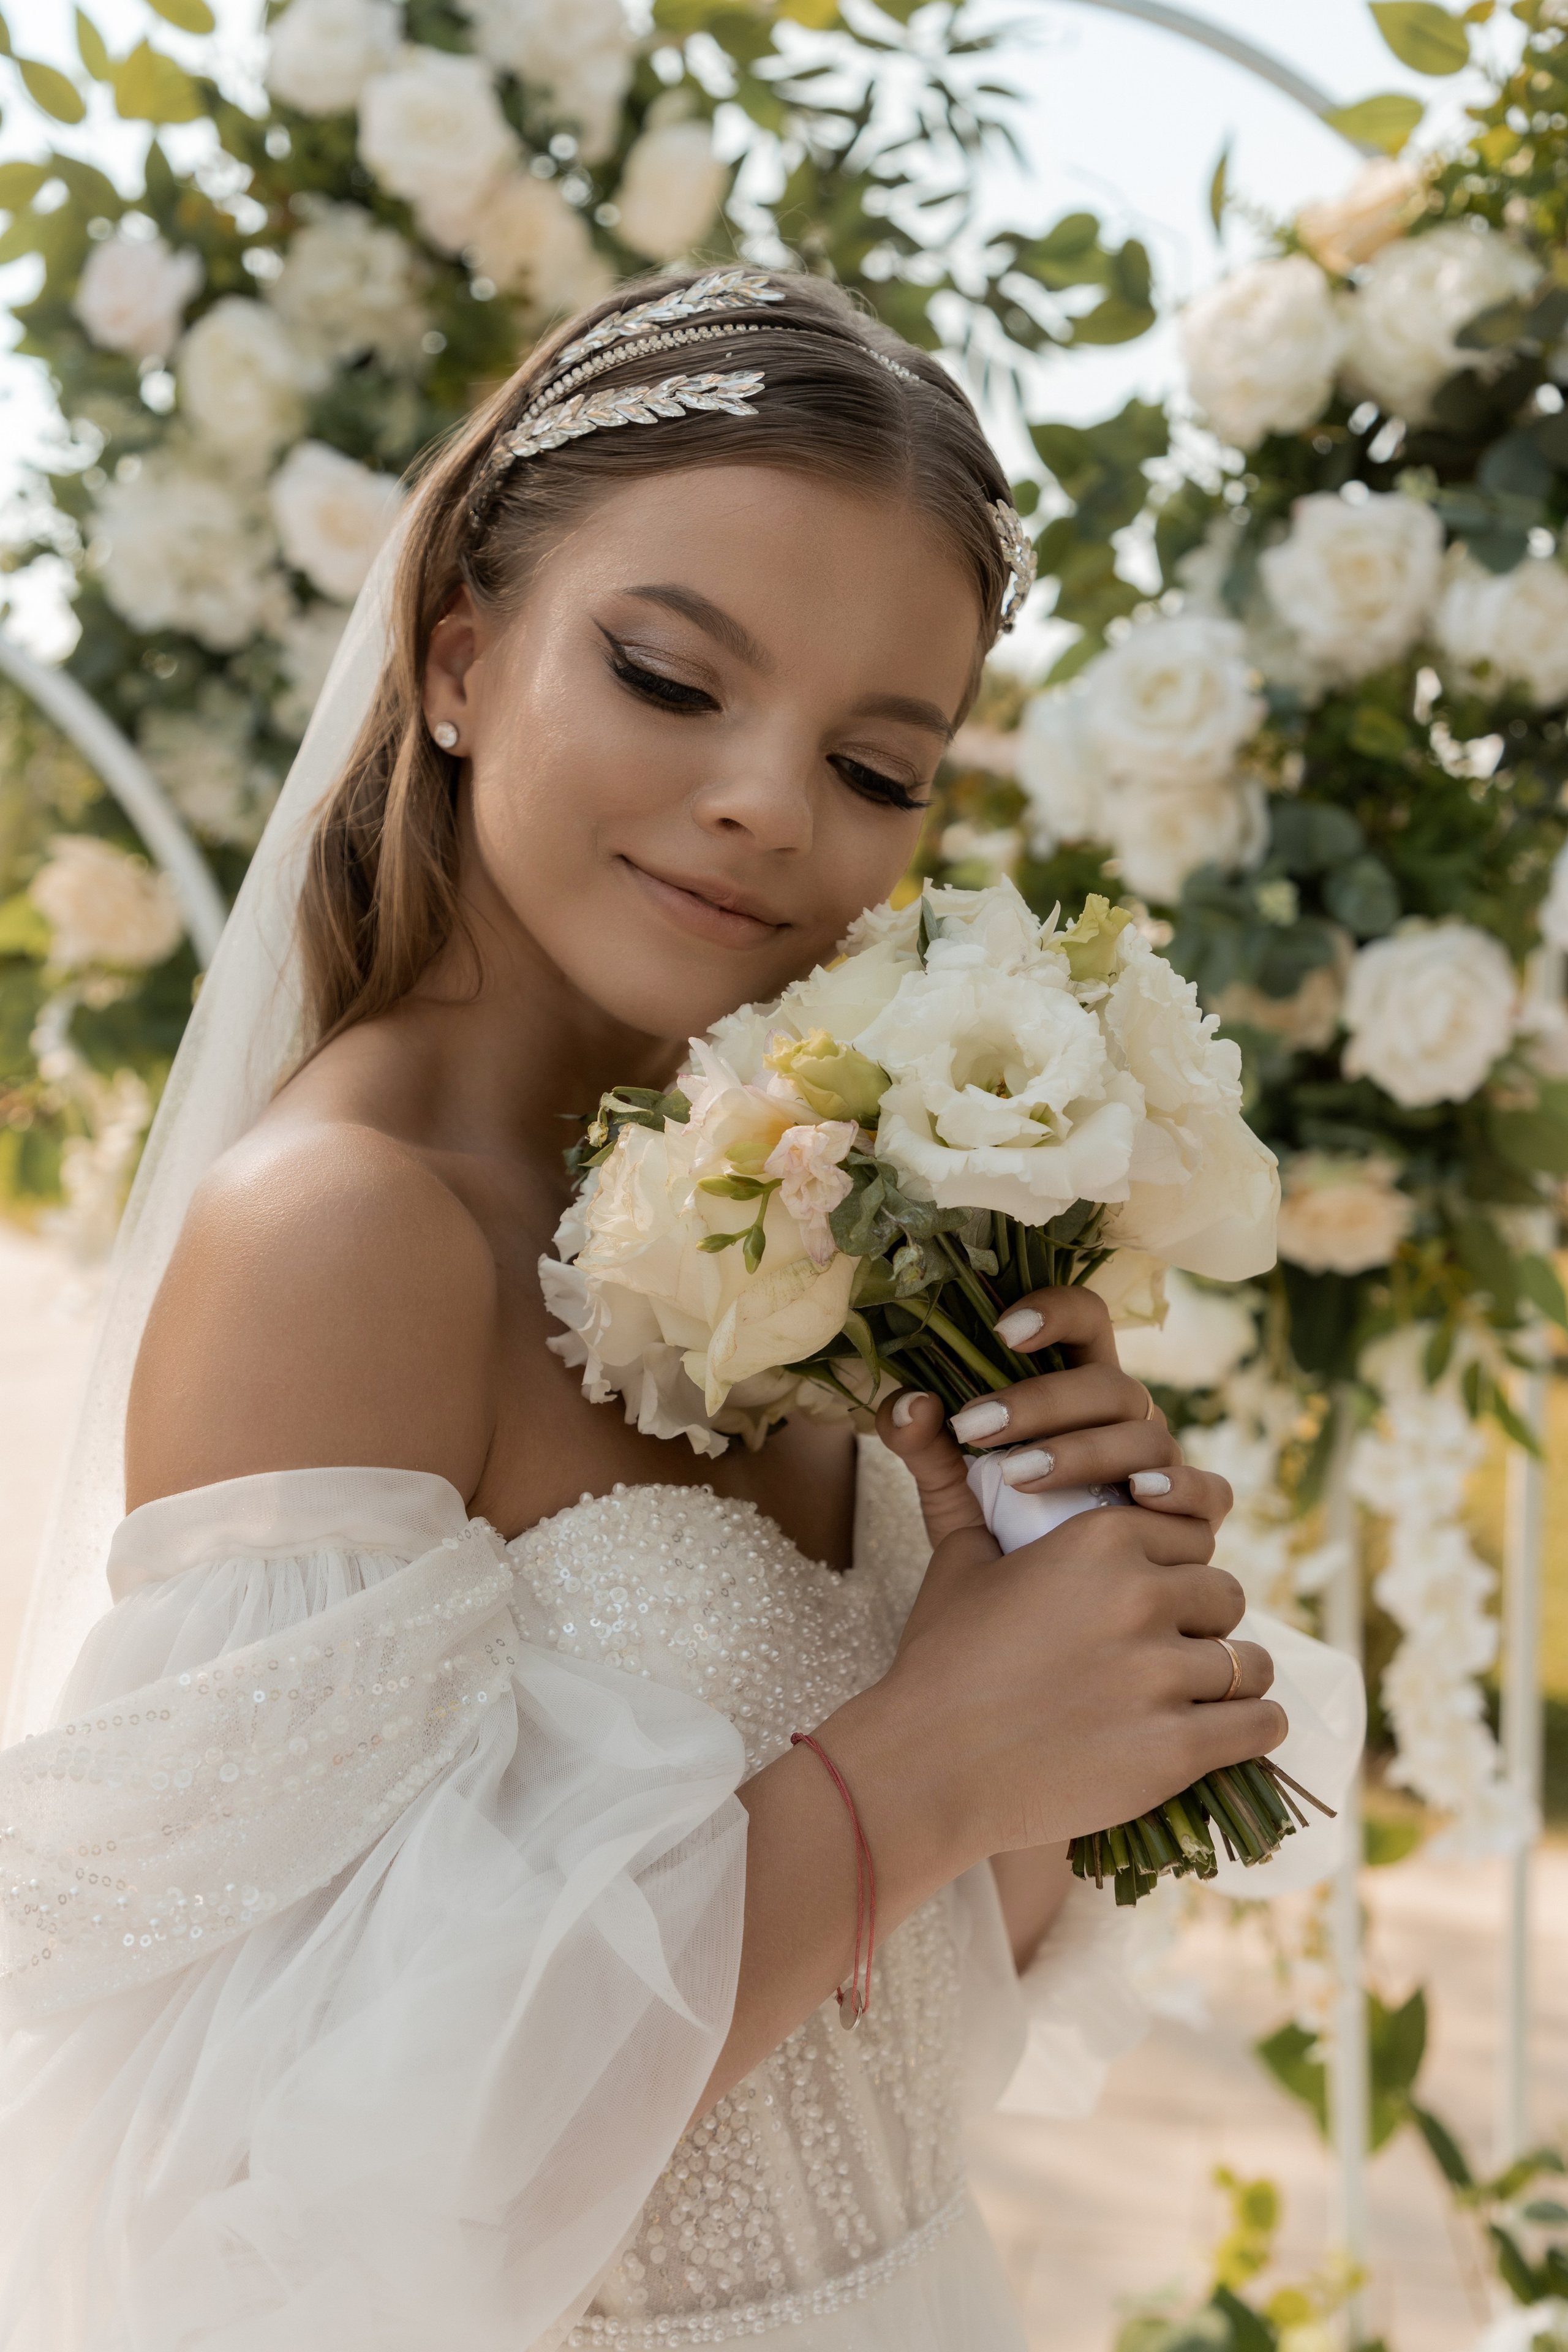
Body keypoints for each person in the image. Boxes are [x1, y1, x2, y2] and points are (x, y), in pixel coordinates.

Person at [0, 267, 1361, 2350]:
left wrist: (1049, 1622)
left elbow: (906, 2017)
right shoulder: (348, 1236)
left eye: (878, 768)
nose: (767, 802)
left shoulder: (801, 1218)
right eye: (666, 675)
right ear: (461, 656)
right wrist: (918, 1758)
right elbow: (270, 2203)